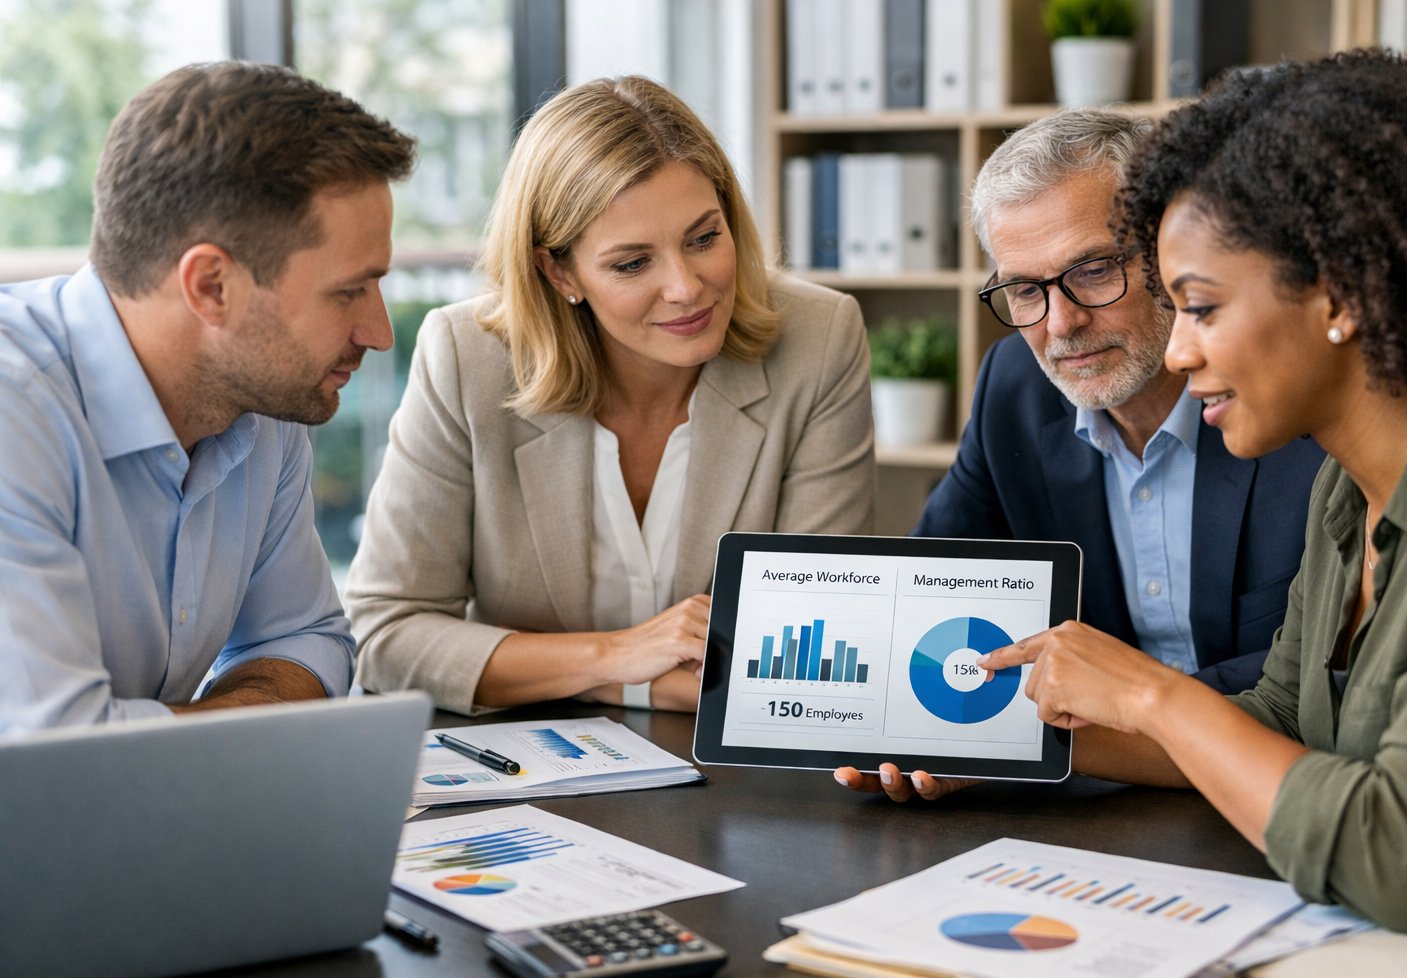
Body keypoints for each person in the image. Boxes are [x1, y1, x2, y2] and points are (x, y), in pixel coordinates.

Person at [984, 52, 1407, 931]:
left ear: (1342, 294)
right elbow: (1283, 720)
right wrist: (1006, 747)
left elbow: (1405, 864)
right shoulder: (1348, 495)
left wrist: (1150, 694)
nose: (1176, 351)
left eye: (1200, 307)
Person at [345, 76, 875, 715]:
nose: (687, 287)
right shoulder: (468, 358)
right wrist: (614, 656)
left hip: (739, 778)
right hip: (534, 773)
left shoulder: (819, 339)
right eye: (632, 264)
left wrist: (581, 674)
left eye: (705, 238)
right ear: (559, 271)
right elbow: (385, 633)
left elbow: (814, 652)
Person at [837, 109, 1321, 799]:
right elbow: (926, 594)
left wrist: (1068, 734)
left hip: (1269, 795)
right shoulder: (1014, 383)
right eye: (1026, 291)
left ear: (1171, 253)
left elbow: (1317, 684)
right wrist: (939, 729)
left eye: (1092, 271)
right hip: (1087, 803)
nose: (1061, 325)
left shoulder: (1287, 399)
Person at [0, 62, 417, 734]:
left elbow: (306, 640)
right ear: (212, 287)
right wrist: (246, 724)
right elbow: (54, 748)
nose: (378, 333)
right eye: (348, 292)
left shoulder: (261, 397)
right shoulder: (14, 412)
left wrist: (172, 732)